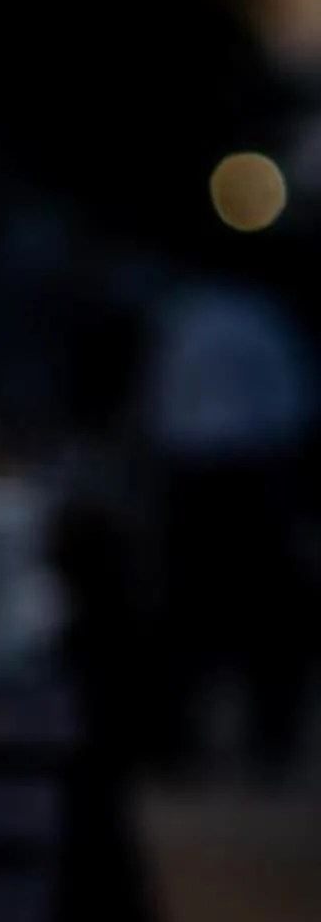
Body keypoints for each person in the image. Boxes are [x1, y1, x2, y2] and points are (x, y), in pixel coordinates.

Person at [143, 273, 317, 782]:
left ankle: (202, 746)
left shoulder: (193, 317)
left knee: (223, 616)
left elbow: (161, 405)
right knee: (234, 617)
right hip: (225, 475)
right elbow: (294, 406)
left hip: (224, 476)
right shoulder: (240, 317)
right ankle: (246, 744)